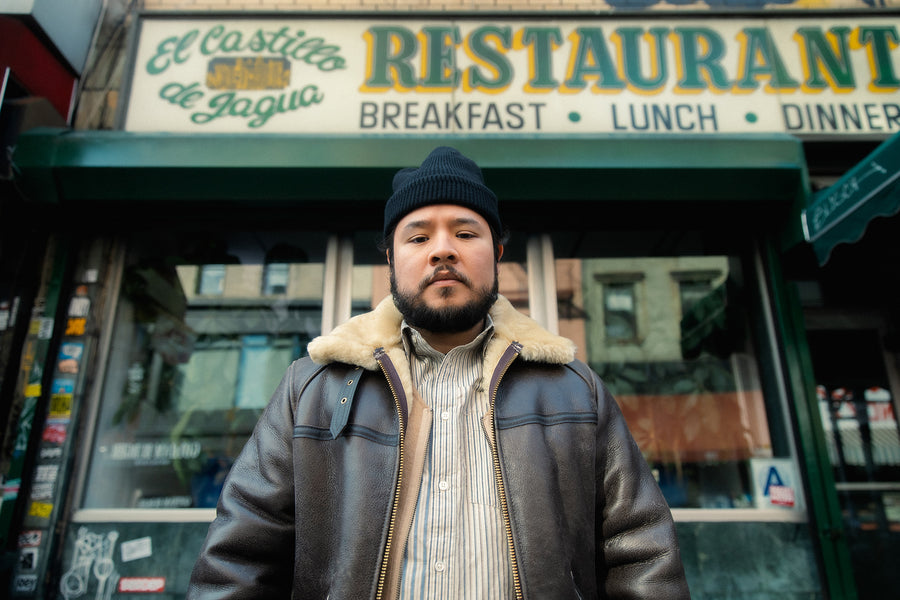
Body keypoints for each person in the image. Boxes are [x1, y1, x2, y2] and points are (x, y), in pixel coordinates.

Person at [187, 146, 691, 599]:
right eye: (419, 235)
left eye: (466, 232)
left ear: (496, 252)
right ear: (390, 258)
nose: (442, 249)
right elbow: (239, 561)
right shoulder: (312, 389)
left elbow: (642, 556)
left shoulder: (575, 392)